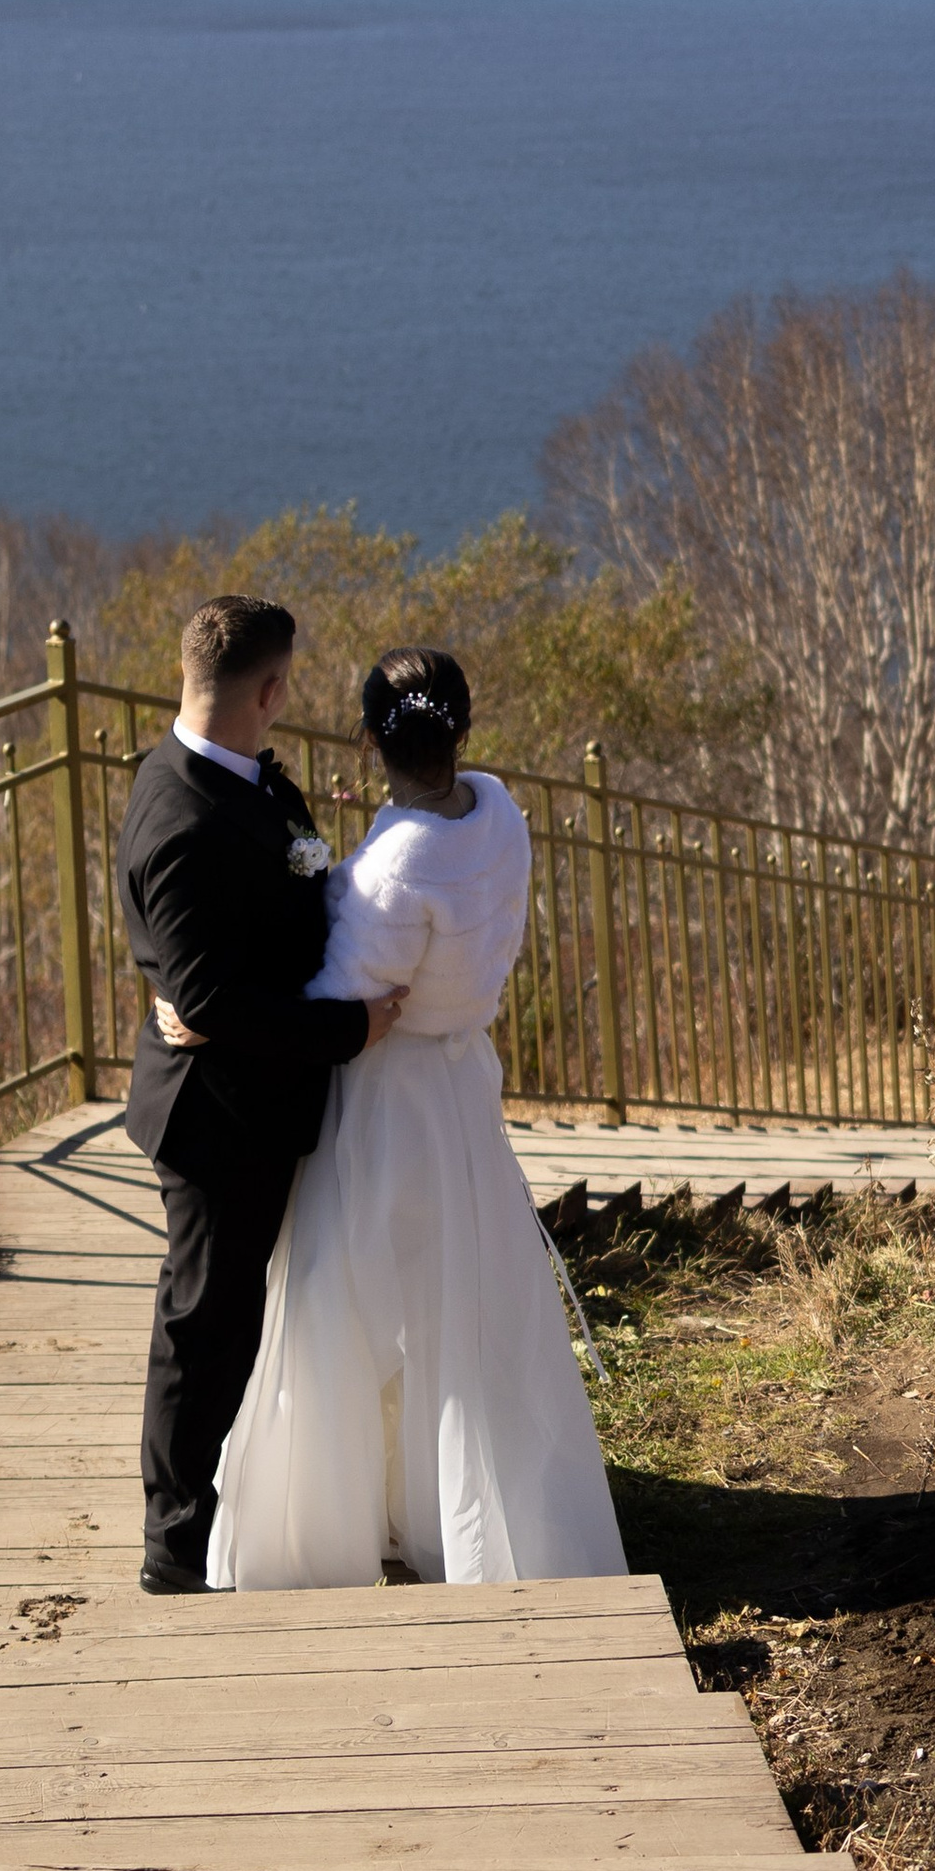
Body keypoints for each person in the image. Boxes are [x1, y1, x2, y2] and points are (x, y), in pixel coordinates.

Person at [192, 646, 629, 1589]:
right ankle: (468, 1512)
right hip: (461, 1087)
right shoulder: (499, 813)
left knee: (341, 1304)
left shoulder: (394, 869)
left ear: (367, 739)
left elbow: (339, 998)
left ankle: (331, 1529)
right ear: (463, 731)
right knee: (462, 1308)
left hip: (384, 1101)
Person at [115, 594, 407, 1592]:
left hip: (261, 1098)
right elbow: (204, 999)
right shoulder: (182, 816)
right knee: (206, 1325)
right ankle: (173, 1547)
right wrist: (348, 1028)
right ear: (272, 689)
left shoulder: (245, 777)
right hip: (218, 1120)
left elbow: (282, 895)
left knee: (237, 1316)